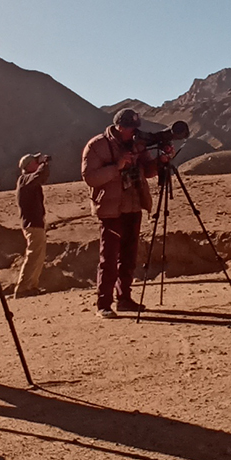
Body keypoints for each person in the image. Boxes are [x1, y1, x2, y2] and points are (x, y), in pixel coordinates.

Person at [81, 108, 170, 318]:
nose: (134, 132)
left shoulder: (137, 145)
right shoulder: (97, 145)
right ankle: (103, 304)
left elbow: (147, 171)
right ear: (120, 127)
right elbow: (90, 177)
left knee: (129, 256)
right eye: (130, 128)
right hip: (111, 210)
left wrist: (161, 162)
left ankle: (125, 299)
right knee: (109, 258)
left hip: (133, 205)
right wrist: (117, 166)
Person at [11, 152, 51, 298]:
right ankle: (22, 288)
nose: (37, 162)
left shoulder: (27, 180)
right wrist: (44, 164)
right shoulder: (25, 179)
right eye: (35, 161)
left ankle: (31, 286)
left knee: (38, 256)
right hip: (33, 224)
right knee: (34, 255)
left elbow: (42, 177)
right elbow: (40, 176)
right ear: (28, 166)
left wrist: (43, 165)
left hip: (36, 223)